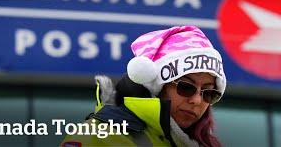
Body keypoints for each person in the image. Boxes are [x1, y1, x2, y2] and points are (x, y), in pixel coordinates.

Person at [61, 25, 226, 147]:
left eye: (209, 93)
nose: (197, 100)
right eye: (186, 87)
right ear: (157, 86)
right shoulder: (98, 137)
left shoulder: (200, 142)